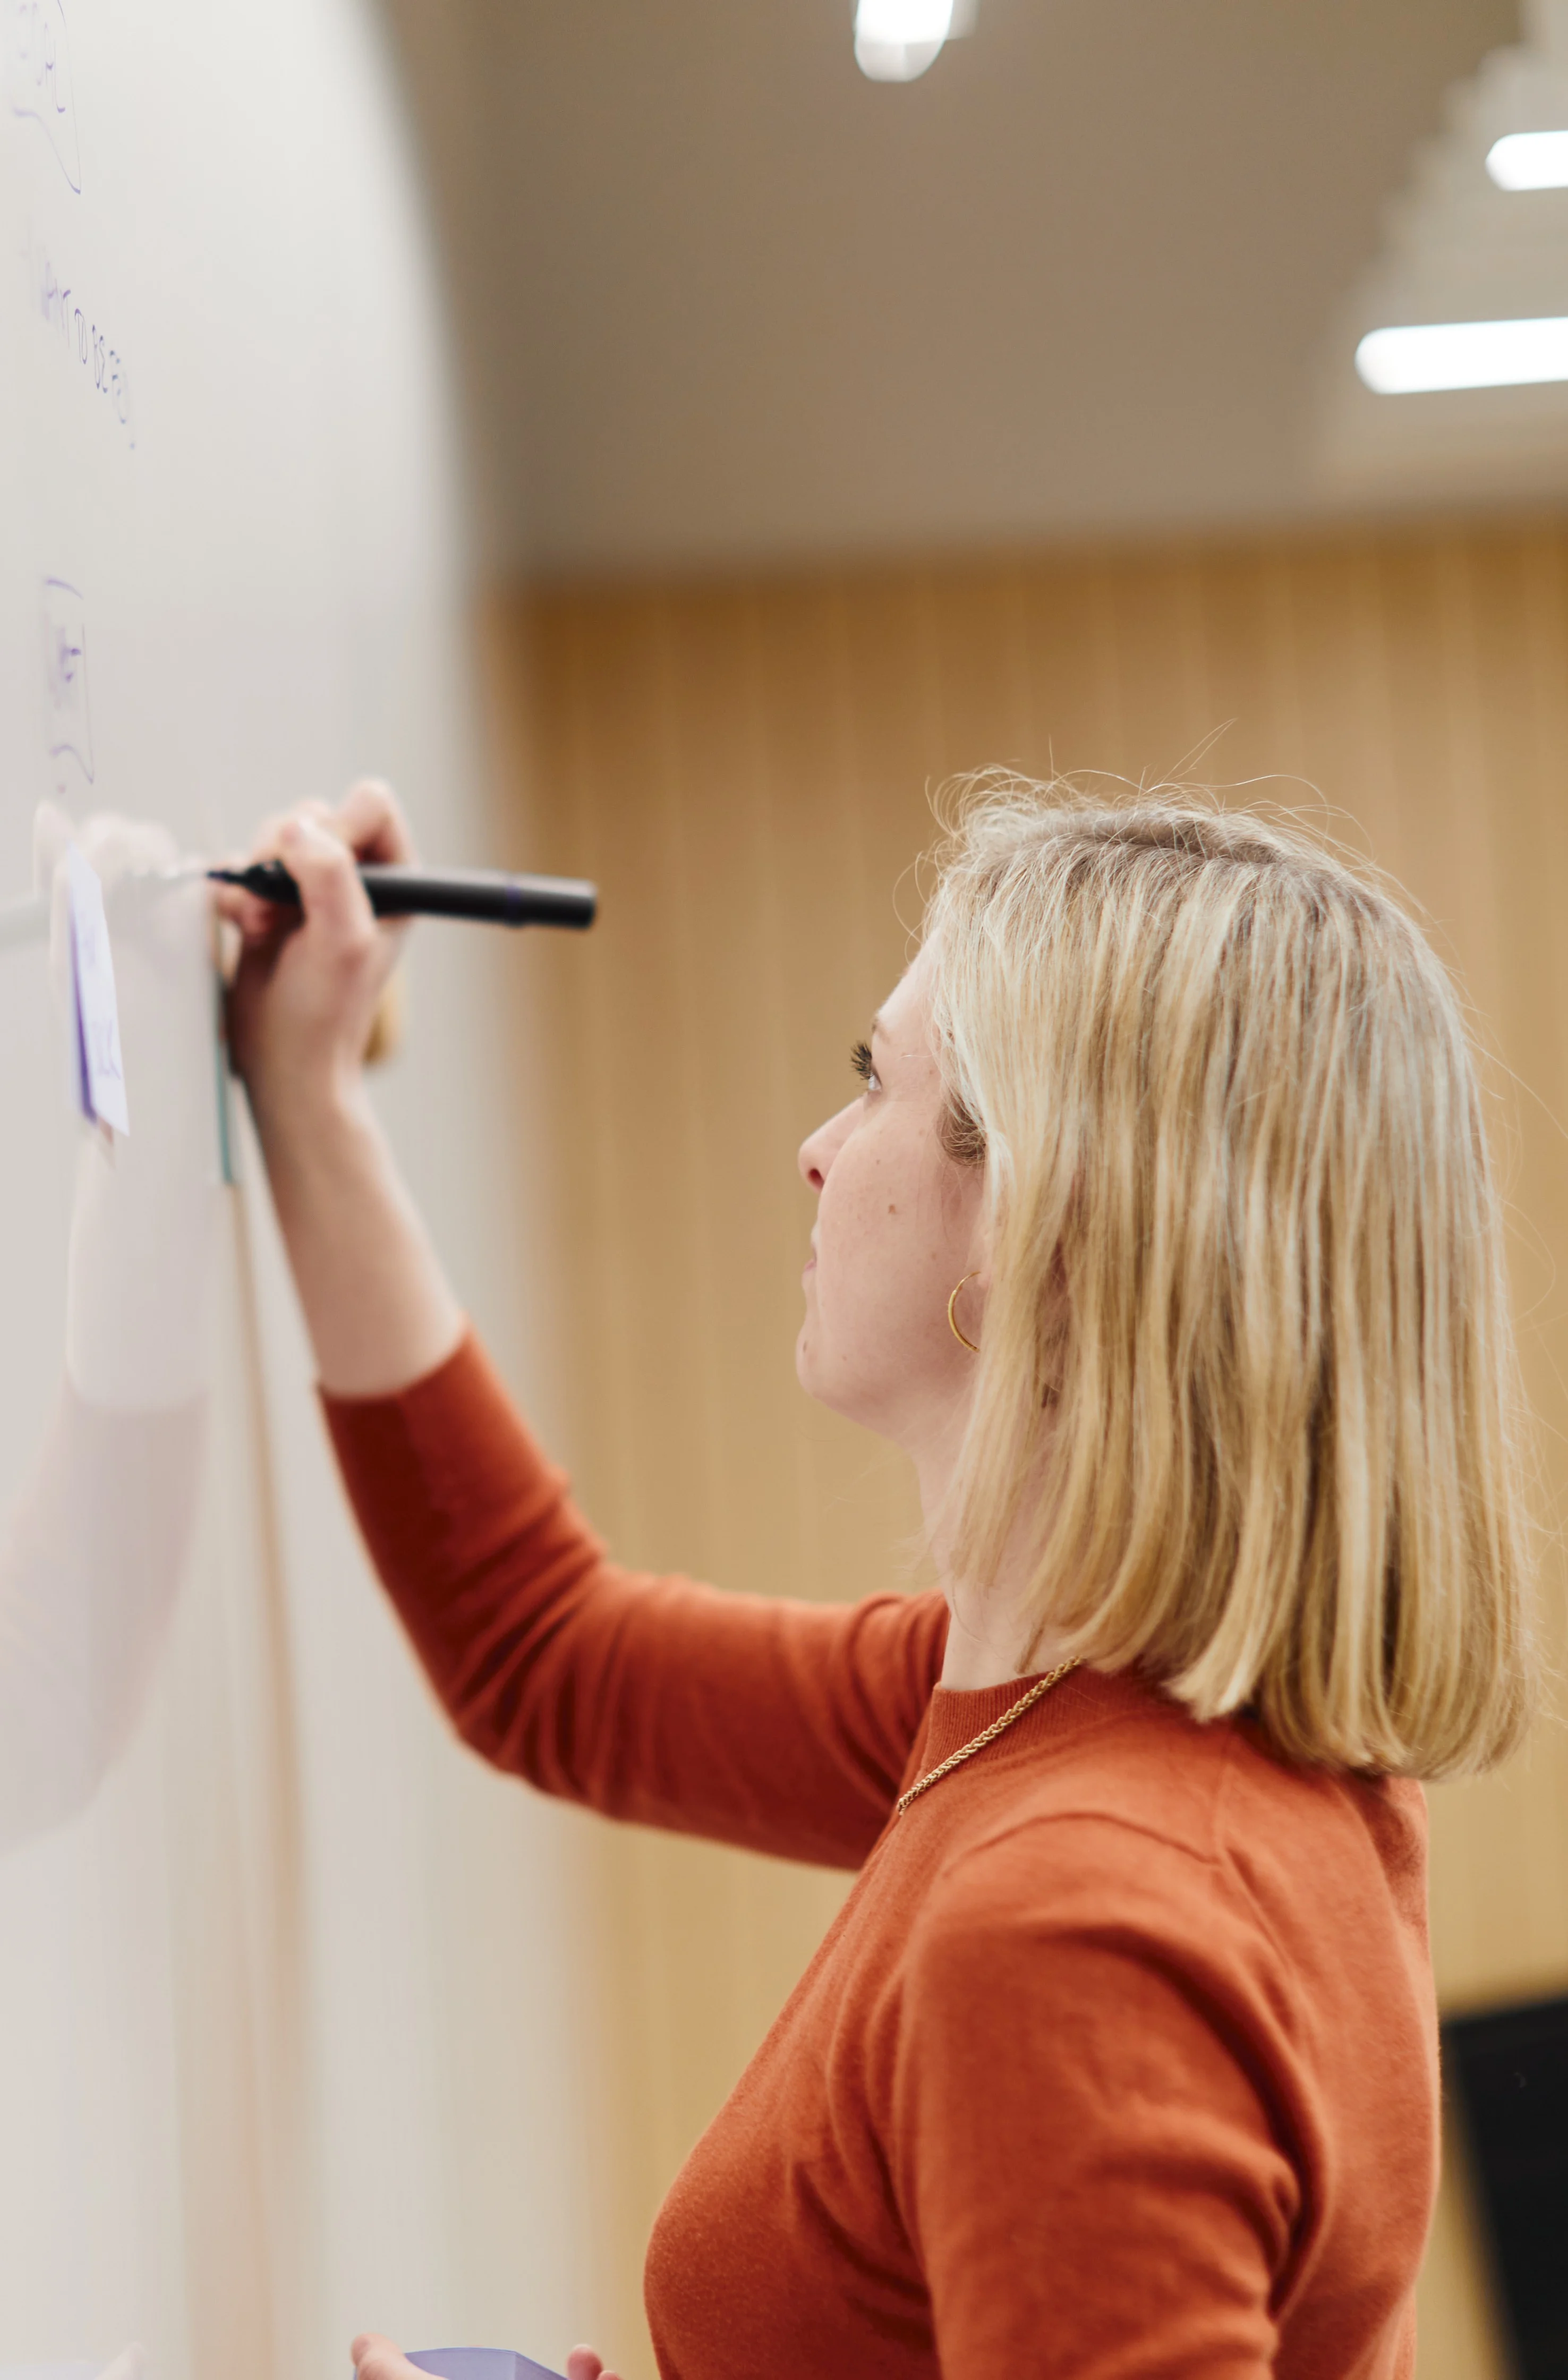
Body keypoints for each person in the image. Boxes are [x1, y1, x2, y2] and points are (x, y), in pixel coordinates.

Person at [218, 775, 1535, 2380]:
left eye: (874, 1081)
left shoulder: (1081, 1919)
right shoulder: (1097, 1734)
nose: (817, 1150)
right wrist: (309, 1097)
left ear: (1044, 1225)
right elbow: (548, 1660)